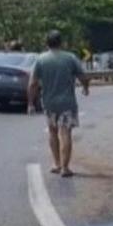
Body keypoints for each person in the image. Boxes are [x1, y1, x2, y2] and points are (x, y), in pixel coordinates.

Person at [28, 30, 90, 177]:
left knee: (52, 132)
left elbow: (32, 84)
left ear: (46, 43)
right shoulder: (70, 58)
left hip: (49, 103)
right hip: (67, 103)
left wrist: (30, 103)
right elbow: (83, 76)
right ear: (61, 43)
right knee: (66, 133)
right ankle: (65, 167)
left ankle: (56, 163)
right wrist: (86, 88)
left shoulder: (41, 60)